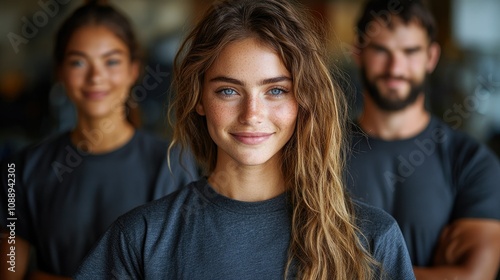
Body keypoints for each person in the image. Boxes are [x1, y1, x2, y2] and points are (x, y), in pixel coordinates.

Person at [74, 0, 415, 279]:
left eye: (276, 91)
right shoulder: (142, 238)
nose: (252, 114)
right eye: (228, 90)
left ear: (304, 101)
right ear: (198, 98)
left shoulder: (372, 239)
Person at [0, 1, 198, 279]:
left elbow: (179, 267)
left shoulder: (171, 162)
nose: (96, 77)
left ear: (133, 69)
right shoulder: (18, 169)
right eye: (78, 62)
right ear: (60, 71)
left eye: (111, 61)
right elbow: (9, 265)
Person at [346, 0, 500, 279]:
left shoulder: (472, 162)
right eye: (381, 50)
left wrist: (351, 270)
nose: (396, 67)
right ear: (358, 53)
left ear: (431, 57)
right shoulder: (319, 153)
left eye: (410, 51)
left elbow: (473, 277)